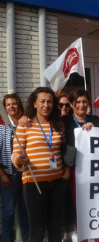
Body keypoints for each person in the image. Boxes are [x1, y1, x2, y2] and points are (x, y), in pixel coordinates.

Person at [11, 87, 69, 242]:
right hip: (34, 184)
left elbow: (63, 151)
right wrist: (19, 160)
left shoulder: (59, 126)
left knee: (56, 228)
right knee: (37, 231)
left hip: (57, 183)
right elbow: (15, 153)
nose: (46, 105)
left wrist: (64, 175)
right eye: (42, 101)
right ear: (35, 103)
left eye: (50, 101)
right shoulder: (25, 125)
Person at [62, 88, 99, 242]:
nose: (81, 105)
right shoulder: (65, 121)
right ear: (72, 104)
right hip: (75, 172)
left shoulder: (96, 120)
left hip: (96, 171)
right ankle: (83, 238)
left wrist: (95, 130)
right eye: (77, 102)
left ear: (88, 104)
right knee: (80, 206)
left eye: (84, 101)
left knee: (98, 204)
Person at [0, 93, 29, 242]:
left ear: (19, 105)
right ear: (5, 108)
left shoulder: (26, 124)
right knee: (9, 212)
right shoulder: (2, 125)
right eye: (8, 105)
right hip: (9, 176)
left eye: (14, 103)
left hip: (25, 175)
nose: (11, 106)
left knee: (26, 211)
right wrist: (2, 174)